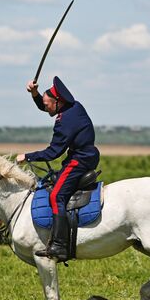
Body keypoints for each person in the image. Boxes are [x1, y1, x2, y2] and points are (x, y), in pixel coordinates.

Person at [16, 76, 100, 262]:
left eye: (47, 105)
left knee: (56, 196)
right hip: (83, 155)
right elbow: (46, 106)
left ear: (57, 101)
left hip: (80, 160)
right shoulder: (72, 106)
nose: (45, 108)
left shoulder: (65, 120)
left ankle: (59, 246)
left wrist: (27, 156)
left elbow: (53, 152)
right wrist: (36, 94)